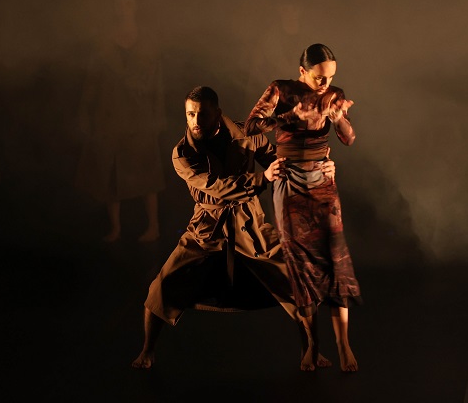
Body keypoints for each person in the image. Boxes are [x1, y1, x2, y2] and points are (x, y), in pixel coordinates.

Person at [131, 86, 335, 371]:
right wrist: (263, 179)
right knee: (161, 287)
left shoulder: (246, 134)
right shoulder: (183, 153)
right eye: (190, 114)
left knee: (297, 278)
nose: (196, 121)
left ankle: (311, 349)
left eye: (203, 114)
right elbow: (218, 188)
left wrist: (312, 165)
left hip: (251, 225)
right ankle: (147, 351)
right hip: (207, 228)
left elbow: (278, 160)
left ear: (217, 113)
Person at [244, 43, 362, 372]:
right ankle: (312, 344)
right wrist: (290, 116)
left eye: (330, 77)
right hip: (289, 180)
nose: (325, 84)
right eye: (319, 77)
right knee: (300, 263)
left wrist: (337, 119)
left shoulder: (333, 95)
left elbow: (349, 139)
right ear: (302, 71)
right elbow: (250, 127)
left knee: (334, 258)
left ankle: (343, 344)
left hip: (322, 180)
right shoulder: (280, 90)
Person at [74, 0, 165, 242]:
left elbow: (158, 84)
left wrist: (158, 117)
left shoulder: (148, 42)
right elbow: (92, 81)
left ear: (135, 7)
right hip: (109, 115)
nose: (124, 8)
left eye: (128, 3)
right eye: (119, 4)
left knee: (147, 173)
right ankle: (115, 228)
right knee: (111, 174)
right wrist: (85, 114)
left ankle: (153, 226)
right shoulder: (104, 42)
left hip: (140, 117)